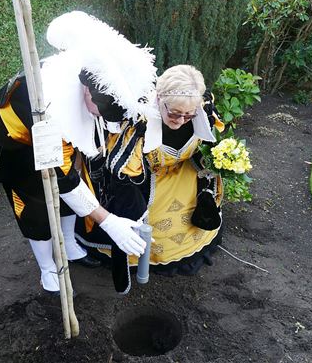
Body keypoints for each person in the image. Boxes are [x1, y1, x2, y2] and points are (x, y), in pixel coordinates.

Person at [0, 11, 155, 294]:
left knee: (74, 187)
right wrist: (108, 222)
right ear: (87, 92)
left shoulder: (100, 77)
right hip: (21, 142)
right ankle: (48, 268)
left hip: (58, 141)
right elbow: (63, 178)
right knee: (35, 207)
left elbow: (81, 153)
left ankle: (70, 243)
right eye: (102, 111)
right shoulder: (46, 104)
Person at [77, 65, 225, 289]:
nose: (181, 120)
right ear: (160, 99)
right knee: (152, 227)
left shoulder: (203, 109)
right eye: (174, 113)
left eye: (189, 115)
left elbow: (211, 145)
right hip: (147, 181)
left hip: (186, 174)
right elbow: (122, 174)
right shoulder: (139, 122)